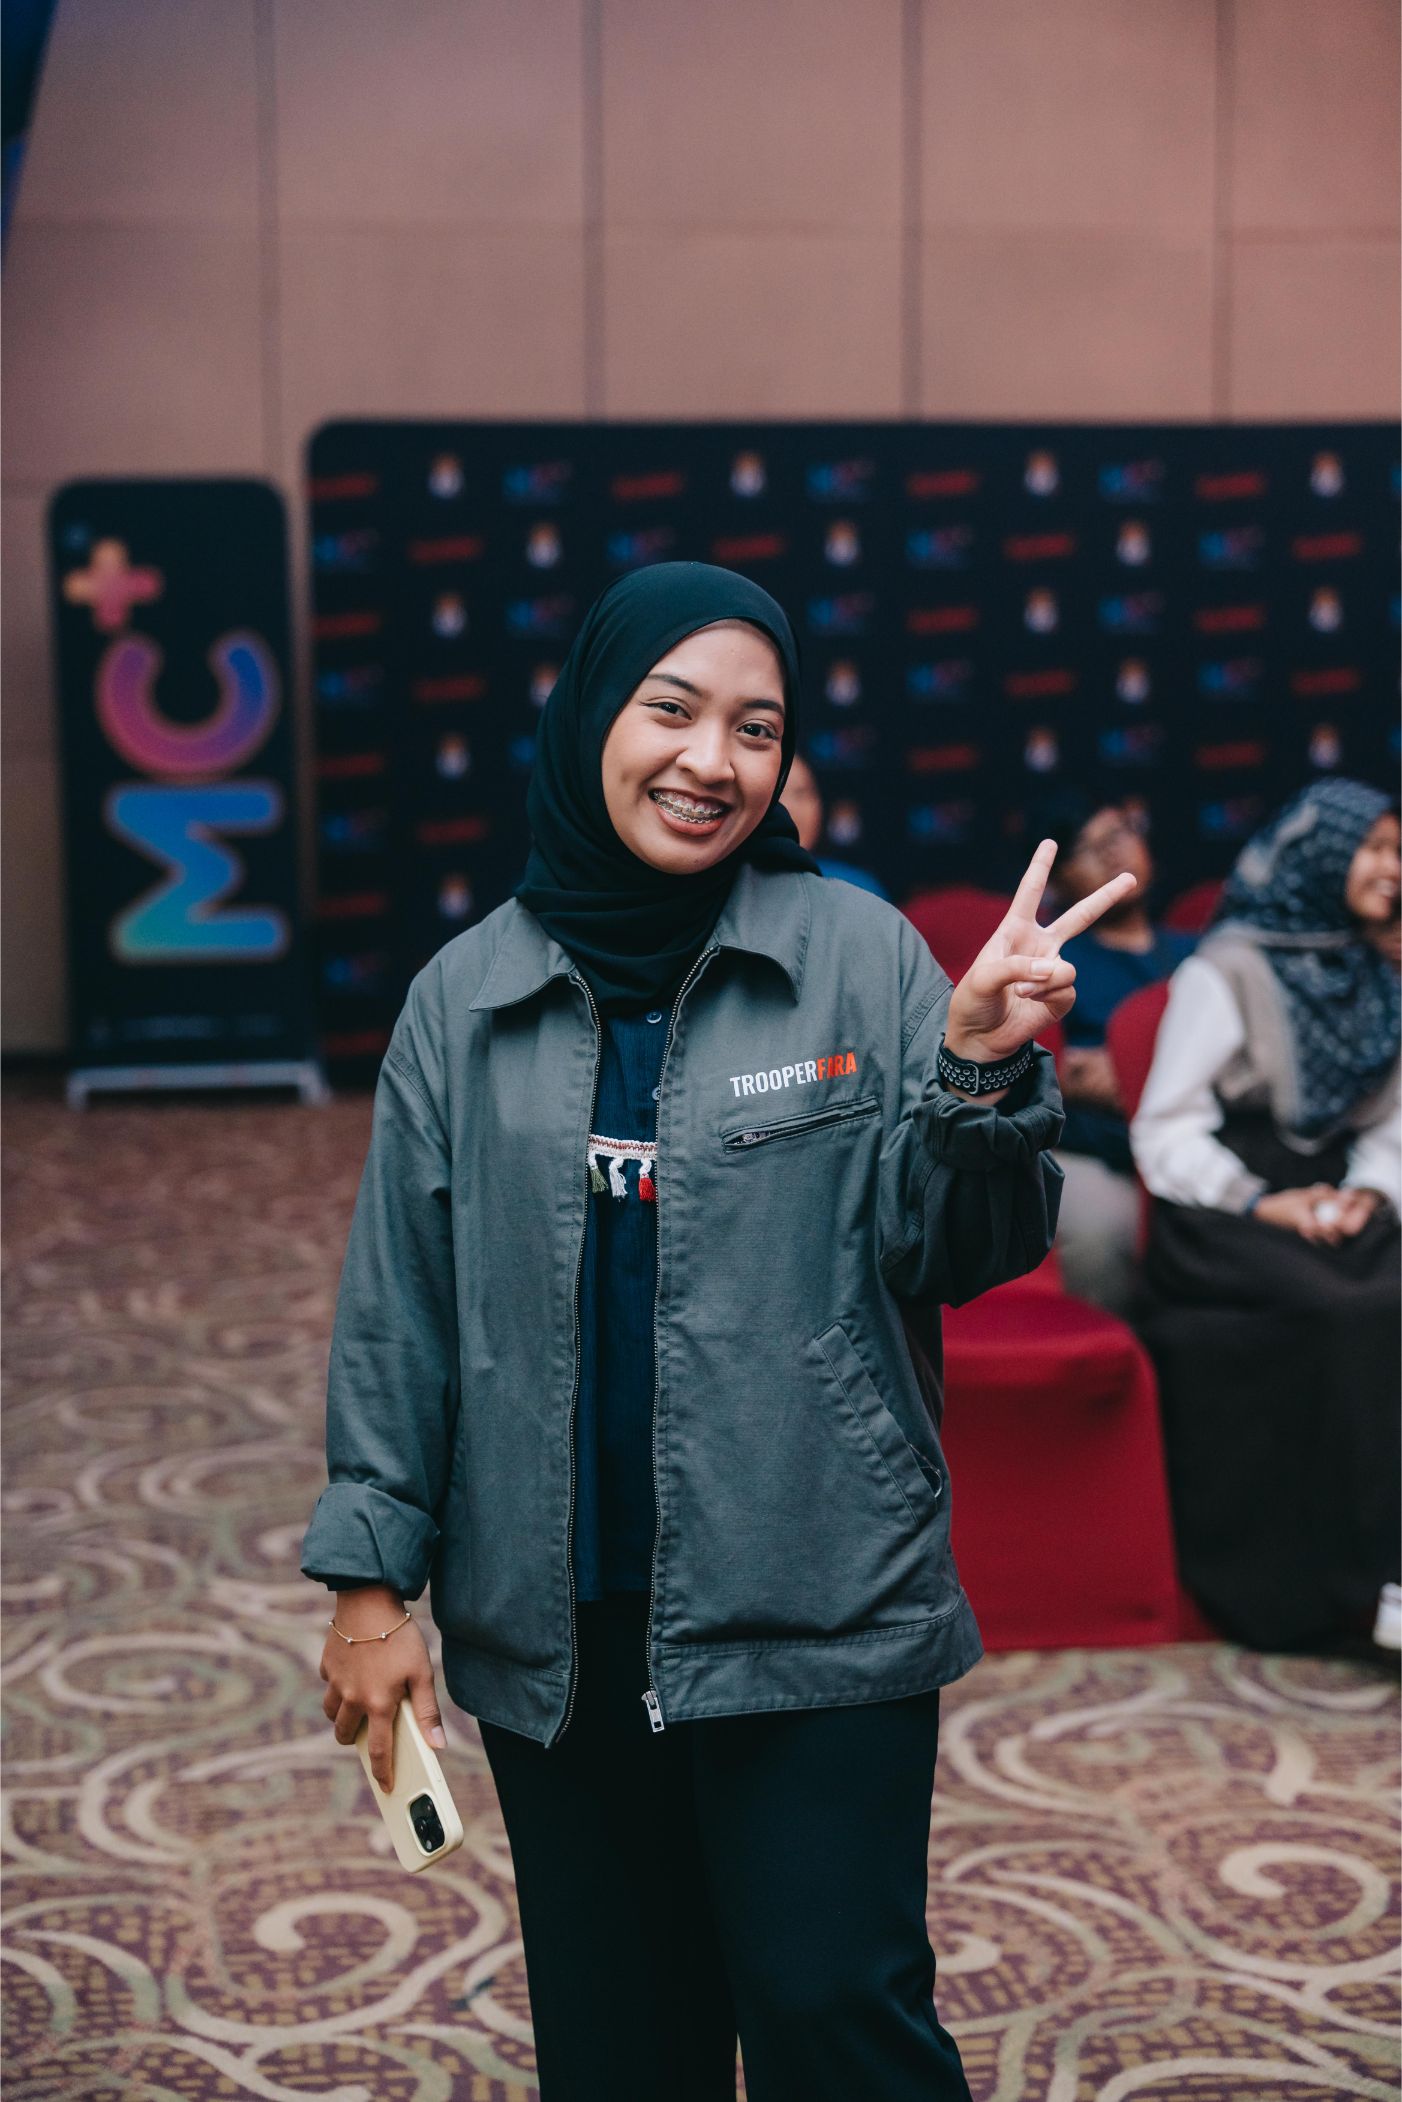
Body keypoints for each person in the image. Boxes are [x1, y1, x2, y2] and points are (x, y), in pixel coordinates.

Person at [301, 562, 1134, 2102]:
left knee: (838, 2020)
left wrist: (971, 1075)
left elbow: (959, 1252)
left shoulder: (859, 956)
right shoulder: (462, 999)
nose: (711, 760)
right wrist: (368, 1583)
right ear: (588, 720)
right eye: (671, 710)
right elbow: (400, 1311)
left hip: (819, 1604)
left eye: (756, 728)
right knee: (621, 2046)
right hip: (555, 1627)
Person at [1130, 778, 1401, 1655]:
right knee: (1345, 1309)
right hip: (1225, 1205)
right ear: (1321, 855)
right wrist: (1261, 1200)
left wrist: (1371, 1191)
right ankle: (1355, 1586)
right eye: (1374, 849)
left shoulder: (1376, 970)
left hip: (1337, 1193)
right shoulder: (1229, 968)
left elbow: (1389, 1121)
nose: (1393, 869)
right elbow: (1165, 1127)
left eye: (1398, 851)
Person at [1039, 788, 1196, 1314]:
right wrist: (1069, 1076)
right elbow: (1045, 1068)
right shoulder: (1055, 961)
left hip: (1194, 1132)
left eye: (1120, 833)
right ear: (1059, 881)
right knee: (1104, 1229)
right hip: (1099, 1147)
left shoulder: (1197, 949)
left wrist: (1131, 1071)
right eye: (1089, 847)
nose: (1113, 852)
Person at [780, 748, 890, 897]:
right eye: (775, 794)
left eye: (801, 793)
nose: (788, 808)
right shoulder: (746, 887)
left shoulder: (858, 889)